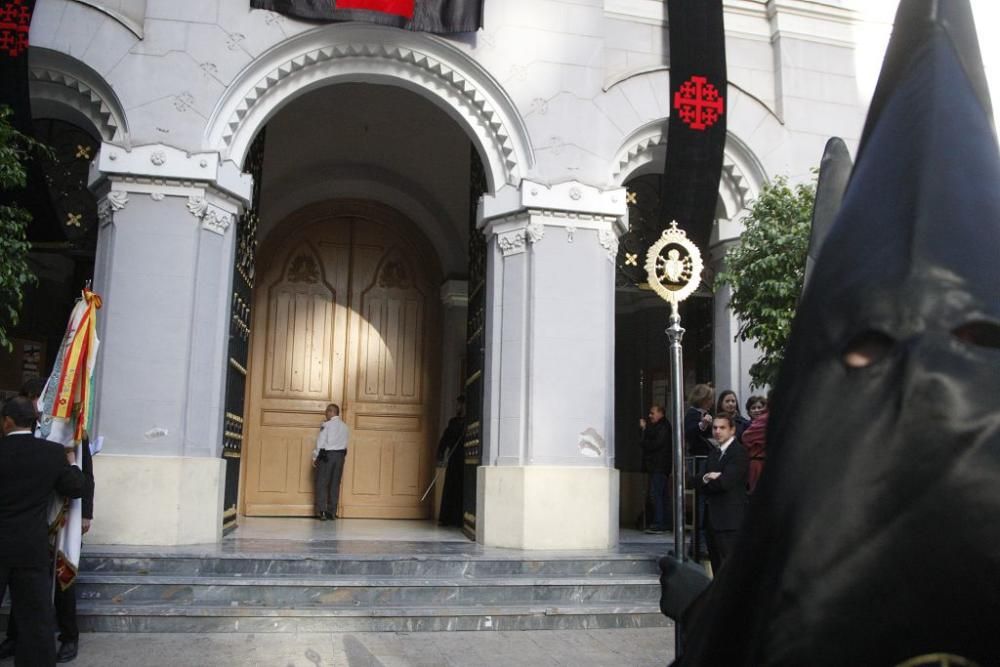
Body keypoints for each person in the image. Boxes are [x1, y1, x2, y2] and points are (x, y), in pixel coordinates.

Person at [0, 382, 95, 664]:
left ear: (7, 421)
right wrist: (71, 460)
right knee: (35, 618)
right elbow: (76, 487)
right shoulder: (51, 454)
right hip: (32, 546)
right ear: (34, 421)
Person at [699, 414, 748, 575]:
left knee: (730, 566)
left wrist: (711, 479)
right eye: (714, 428)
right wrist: (708, 477)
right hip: (712, 519)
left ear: (732, 430)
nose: (717, 431)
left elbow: (725, 482)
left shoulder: (738, 452)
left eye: (722, 428)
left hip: (730, 519)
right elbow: (697, 480)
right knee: (717, 565)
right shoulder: (714, 453)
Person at [312, 403, 349, 521]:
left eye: (327, 411)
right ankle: (332, 512)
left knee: (322, 483)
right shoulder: (345, 426)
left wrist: (315, 457)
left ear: (331, 412)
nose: (325, 414)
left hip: (326, 456)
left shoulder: (326, 425)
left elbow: (320, 442)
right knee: (335, 484)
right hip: (340, 457)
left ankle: (322, 511)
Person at [638, 404, 671, 534]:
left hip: (659, 466)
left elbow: (655, 444)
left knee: (656, 494)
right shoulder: (661, 426)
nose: (650, 415)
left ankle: (660, 523)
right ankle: (663, 522)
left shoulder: (663, 427)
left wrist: (645, 430)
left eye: (653, 413)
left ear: (660, 413)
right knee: (661, 495)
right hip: (659, 466)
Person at [436, 396, 466, 528]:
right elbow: (445, 438)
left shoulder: (470, 421)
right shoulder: (453, 422)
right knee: (450, 487)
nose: (458, 407)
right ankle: (447, 518)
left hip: (466, 460)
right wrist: (441, 454)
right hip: (454, 458)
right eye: (458, 404)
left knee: (462, 488)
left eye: (460, 404)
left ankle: (460, 518)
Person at [741, 395, 768, 494]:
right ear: (748, 411)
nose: (757, 410)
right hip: (753, 462)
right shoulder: (744, 425)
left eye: (759, 407)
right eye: (753, 408)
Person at [684, 384, 714, 456]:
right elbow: (689, 432)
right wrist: (703, 424)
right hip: (699, 456)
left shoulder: (705, 413)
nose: (712, 402)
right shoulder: (692, 414)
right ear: (702, 399)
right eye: (709, 399)